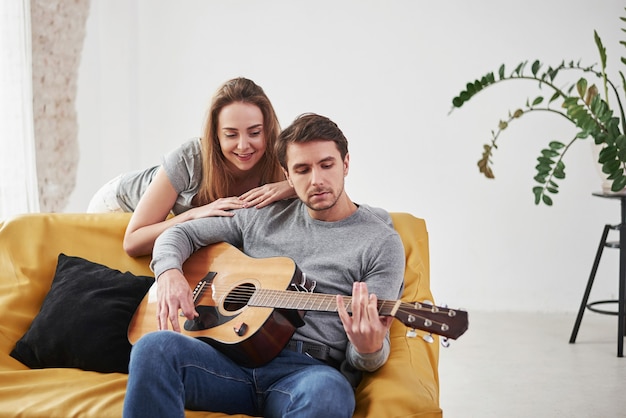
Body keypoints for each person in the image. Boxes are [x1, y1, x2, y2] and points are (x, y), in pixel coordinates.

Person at [123, 113, 406, 418]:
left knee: (329, 395)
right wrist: (168, 272)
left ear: (346, 164)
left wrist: (368, 349)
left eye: (327, 165)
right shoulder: (261, 213)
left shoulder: (381, 243)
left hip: (307, 374)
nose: (317, 180)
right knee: (154, 349)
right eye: (302, 169)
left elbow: (370, 352)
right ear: (286, 174)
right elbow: (180, 234)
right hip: (228, 361)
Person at [87, 77, 294, 257]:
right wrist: (193, 215)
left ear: (267, 130)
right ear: (215, 136)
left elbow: (322, 179)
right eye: (231, 134)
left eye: (255, 132)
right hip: (119, 204)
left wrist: (291, 186)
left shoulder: (282, 158)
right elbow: (133, 241)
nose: (243, 145)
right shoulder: (189, 159)